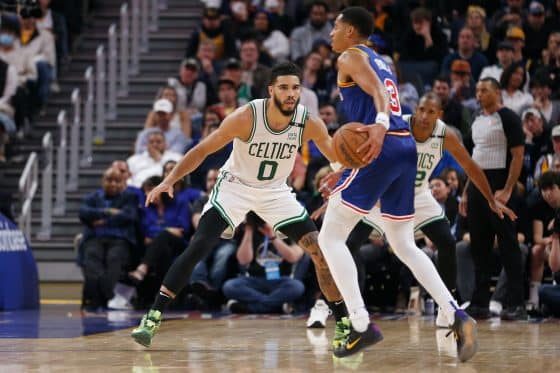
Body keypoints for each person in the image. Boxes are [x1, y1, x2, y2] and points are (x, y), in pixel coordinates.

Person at [131, 62, 347, 348]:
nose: (291, 93)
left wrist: (347, 172)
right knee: (199, 246)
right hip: (236, 187)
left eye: (295, 87)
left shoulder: (308, 121)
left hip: (275, 192)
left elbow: (334, 154)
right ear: (271, 90)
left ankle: (344, 322)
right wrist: (169, 179)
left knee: (319, 252)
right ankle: (153, 315)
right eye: (284, 88)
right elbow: (202, 149)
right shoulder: (247, 116)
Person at [317, 7, 477, 361]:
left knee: (330, 237)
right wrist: (346, 167)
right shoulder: (381, 59)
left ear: (352, 31)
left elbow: (375, 93)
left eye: (337, 27)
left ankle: (359, 323)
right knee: (403, 242)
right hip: (404, 147)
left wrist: (377, 123)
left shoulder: (351, 55)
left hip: (383, 143)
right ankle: (455, 313)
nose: (331, 33)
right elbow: (379, 90)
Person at [317, 93, 515, 328]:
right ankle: (344, 305)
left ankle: (446, 307)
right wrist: (342, 176)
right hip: (384, 194)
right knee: (349, 244)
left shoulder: (444, 135)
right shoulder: (397, 127)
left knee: (446, 242)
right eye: (421, 109)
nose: (424, 116)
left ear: (439, 115)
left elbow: (471, 166)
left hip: (419, 194)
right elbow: (364, 156)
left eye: (431, 112)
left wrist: (491, 199)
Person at [463, 77, 526, 320]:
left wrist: (508, 189)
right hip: (478, 188)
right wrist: (466, 193)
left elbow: (518, 156)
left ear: (497, 93)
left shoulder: (508, 117)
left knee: (509, 245)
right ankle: (479, 302)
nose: (479, 94)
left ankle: (516, 304)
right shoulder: (477, 120)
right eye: (477, 90)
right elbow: (472, 161)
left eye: (485, 90)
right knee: (479, 246)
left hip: (500, 186)